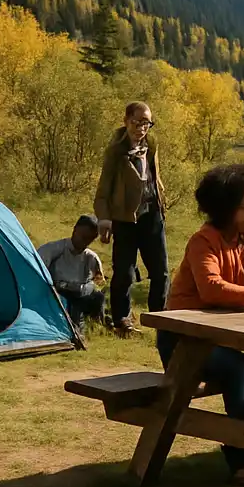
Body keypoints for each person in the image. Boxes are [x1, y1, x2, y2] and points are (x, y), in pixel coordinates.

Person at [159, 162, 244, 487]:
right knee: (237, 368)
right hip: (184, 340)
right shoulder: (203, 241)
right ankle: (242, 461)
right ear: (225, 206)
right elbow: (211, 289)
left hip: (229, 337)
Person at [94, 101, 168, 337]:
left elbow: (154, 177)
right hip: (125, 219)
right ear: (126, 121)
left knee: (160, 272)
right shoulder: (116, 152)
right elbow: (103, 191)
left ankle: (160, 319)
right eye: (137, 122)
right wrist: (104, 220)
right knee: (124, 273)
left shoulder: (151, 146)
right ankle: (121, 321)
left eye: (146, 123)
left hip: (152, 215)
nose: (141, 128)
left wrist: (161, 203)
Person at [38, 216, 107, 331]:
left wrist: (86, 288)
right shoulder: (52, 250)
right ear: (75, 230)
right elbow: (37, 274)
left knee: (98, 297)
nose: (85, 241)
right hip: (55, 294)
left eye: (90, 239)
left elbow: (99, 282)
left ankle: (97, 327)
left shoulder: (91, 258)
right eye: (83, 237)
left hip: (81, 295)